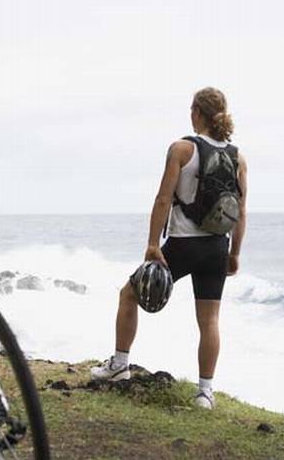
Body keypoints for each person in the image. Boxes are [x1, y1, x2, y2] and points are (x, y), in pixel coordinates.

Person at [91, 87, 248, 410]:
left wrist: (152, 244)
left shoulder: (181, 149)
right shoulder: (238, 157)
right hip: (217, 246)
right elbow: (241, 211)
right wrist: (234, 253)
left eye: (192, 109)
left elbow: (164, 198)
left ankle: (120, 364)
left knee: (128, 294)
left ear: (197, 113)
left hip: (182, 245)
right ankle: (205, 392)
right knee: (210, 321)